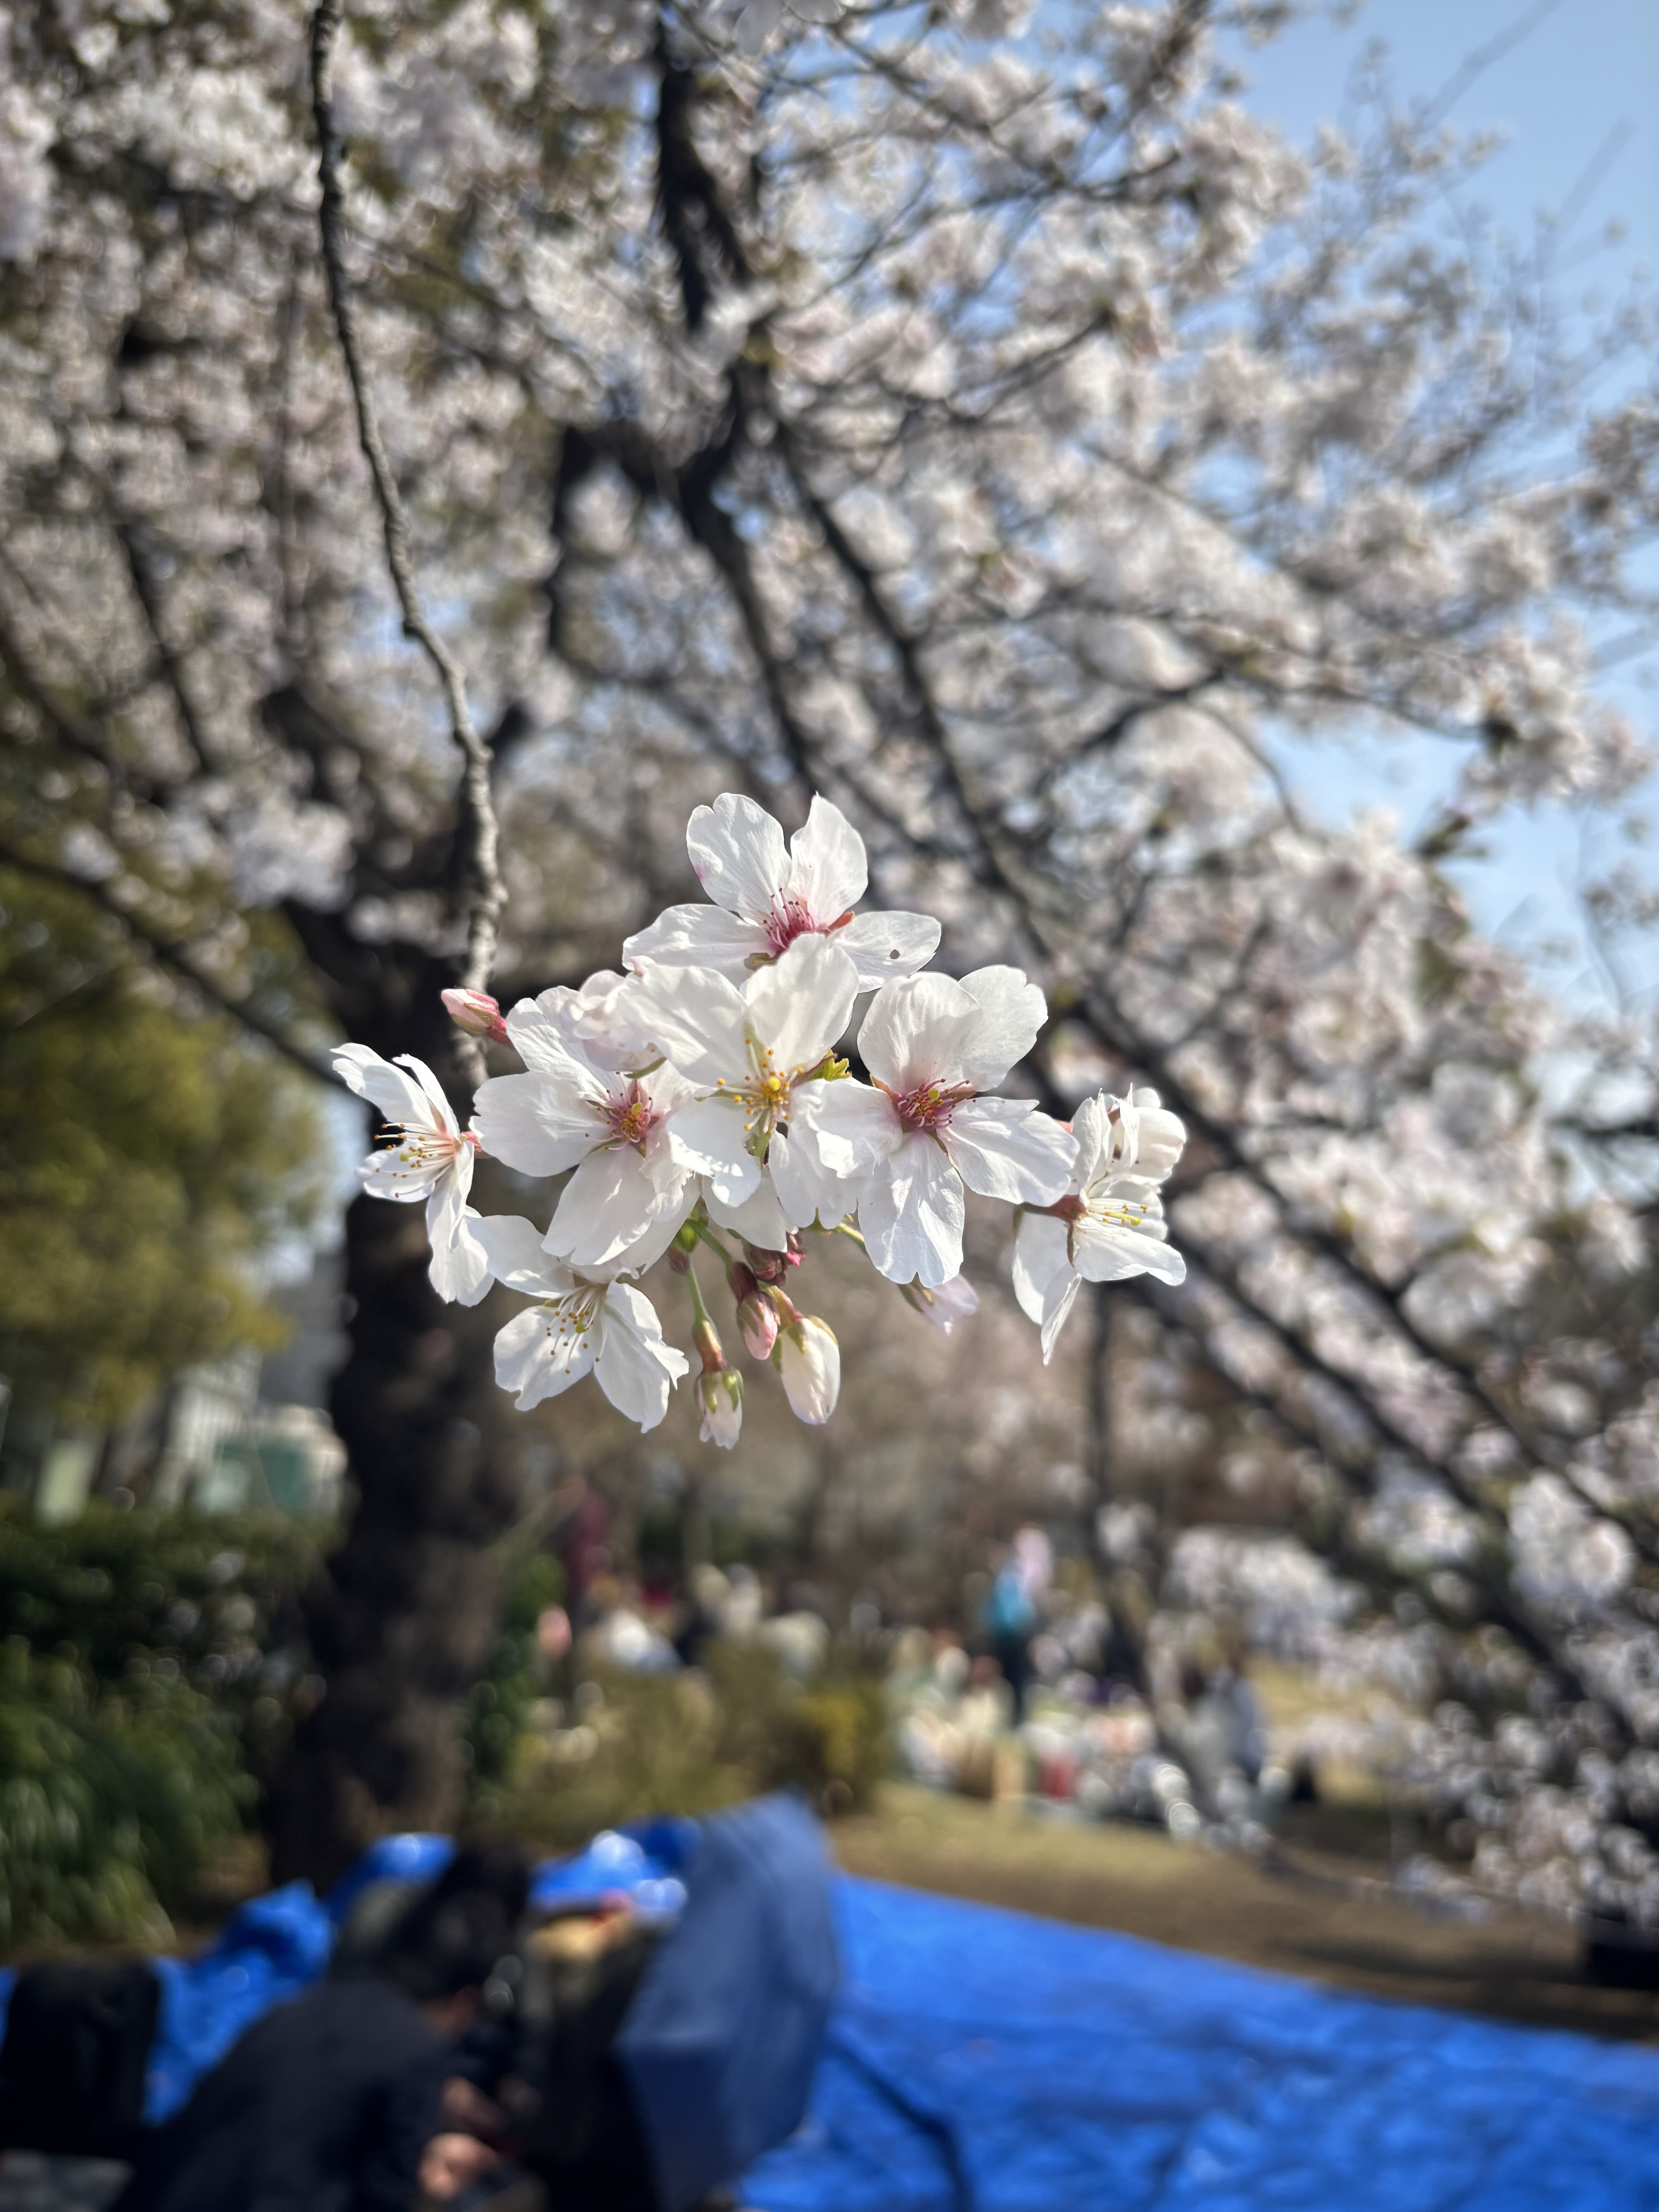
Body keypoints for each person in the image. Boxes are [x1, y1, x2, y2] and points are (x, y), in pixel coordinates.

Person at [111, 1845, 528, 2212]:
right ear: (464, 2002)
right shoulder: (418, 2049)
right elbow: (384, 2196)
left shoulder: (307, 2004)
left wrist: (426, 2152)